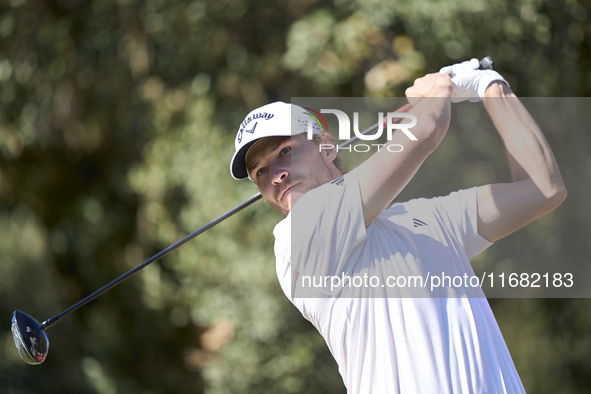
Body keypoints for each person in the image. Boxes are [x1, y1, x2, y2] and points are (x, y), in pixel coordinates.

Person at [229, 59, 567, 393]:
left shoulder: (428, 220)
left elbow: (543, 190)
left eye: (285, 151)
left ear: (327, 147)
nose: (276, 175)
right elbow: (425, 129)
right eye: (260, 172)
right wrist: (439, 90)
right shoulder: (297, 235)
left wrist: (491, 85)